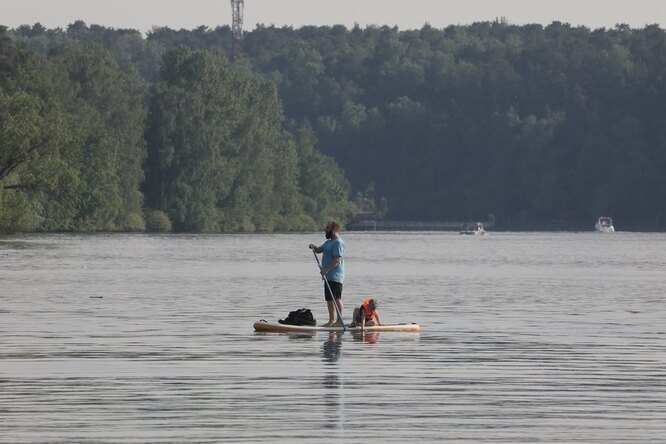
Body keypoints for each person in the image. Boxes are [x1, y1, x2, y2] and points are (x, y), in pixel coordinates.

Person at [309, 221, 345, 327]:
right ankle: (331, 320)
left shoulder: (338, 242)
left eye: (327, 228)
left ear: (333, 229)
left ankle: (339, 321)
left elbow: (337, 260)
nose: (325, 230)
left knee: (336, 298)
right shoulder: (329, 242)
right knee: (329, 299)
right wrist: (314, 247)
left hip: (335, 275)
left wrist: (326, 270)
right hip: (327, 276)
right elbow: (320, 250)